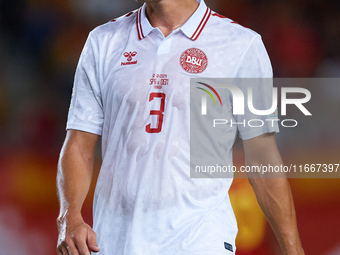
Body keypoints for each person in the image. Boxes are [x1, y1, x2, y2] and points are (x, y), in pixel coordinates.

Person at [56, 0, 305, 254]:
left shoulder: (242, 45)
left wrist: (292, 249)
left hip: (200, 239)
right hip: (114, 241)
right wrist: (69, 214)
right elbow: (79, 143)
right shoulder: (103, 41)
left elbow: (262, 157)